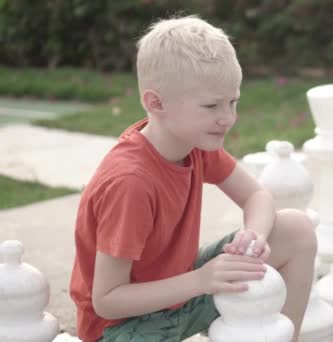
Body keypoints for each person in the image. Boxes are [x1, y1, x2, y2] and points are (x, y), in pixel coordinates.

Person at [69, 15, 317, 342]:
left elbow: (257, 197)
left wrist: (254, 237)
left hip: (182, 290)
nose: (228, 118)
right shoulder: (130, 182)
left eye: (233, 102)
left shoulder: (195, 141)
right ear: (156, 103)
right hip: (123, 329)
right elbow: (108, 300)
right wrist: (202, 280)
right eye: (212, 105)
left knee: (295, 228)